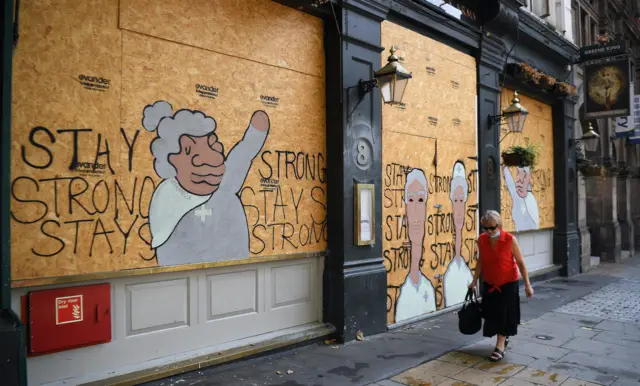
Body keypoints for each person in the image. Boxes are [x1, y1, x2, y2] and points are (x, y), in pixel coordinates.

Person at [468, 209, 534, 362]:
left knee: (504, 315)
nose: (490, 231)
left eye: (493, 227)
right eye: (486, 228)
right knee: (492, 314)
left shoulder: (509, 239)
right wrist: (474, 281)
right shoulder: (482, 240)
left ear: (499, 225)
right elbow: (481, 262)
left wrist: (528, 285)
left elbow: (520, 263)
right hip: (490, 283)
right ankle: (503, 339)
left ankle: (500, 345)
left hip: (507, 284)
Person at [395, 169, 437, 322]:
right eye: (410, 200)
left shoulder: (428, 288)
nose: (415, 209)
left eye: (420, 201)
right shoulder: (402, 290)